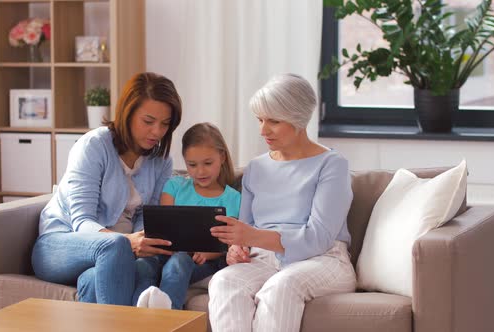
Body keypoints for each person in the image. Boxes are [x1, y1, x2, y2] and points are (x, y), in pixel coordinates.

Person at [208, 74, 356, 331]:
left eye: (274, 121)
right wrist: (237, 248)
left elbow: (318, 237)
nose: (263, 130)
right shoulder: (255, 168)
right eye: (260, 120)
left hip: (325, 259)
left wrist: (253, 236)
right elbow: (244, 230)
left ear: (298, 118)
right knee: (224, 281)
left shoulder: (332, 165)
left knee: (281, 287)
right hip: (265, 260)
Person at [31, 72, 182, 305]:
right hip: (60, 244)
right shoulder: (94, 146)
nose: (157, 132)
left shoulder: (161, 161)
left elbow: (146, 215)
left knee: (109, 275)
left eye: (165, 124)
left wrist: (144, 240)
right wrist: (128, 241)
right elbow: (82, 221)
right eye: (148, 121)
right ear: (127, 113)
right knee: (116, 246)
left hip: (114, 255)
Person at [136, 122, 241, 310]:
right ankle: (136, 317)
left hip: (205, 260)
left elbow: (228, 241)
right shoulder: (174, 186)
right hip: (166, 253)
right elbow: (165, 225)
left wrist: (208, 253)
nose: (200, 171)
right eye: (192, 165)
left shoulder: (233, 198)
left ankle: (167, 316)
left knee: (180, 261)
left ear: (222, 157)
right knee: (143, 265)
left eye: (208, 163)